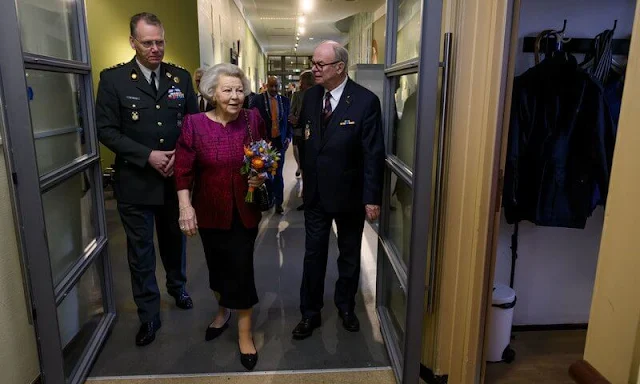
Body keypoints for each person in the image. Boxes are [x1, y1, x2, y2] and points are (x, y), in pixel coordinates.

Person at [96, 12, 198, 347]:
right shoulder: (114, 81)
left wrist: (179, 158)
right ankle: (149, 315)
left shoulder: (180, 78)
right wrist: (147, 155)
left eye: (160, 42)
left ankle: (177, 287)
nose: (155, 49)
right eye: (148, 43)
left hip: (173, 181)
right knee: (140, 252)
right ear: (133, 43)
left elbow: (193, 125)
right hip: (136, 182)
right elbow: (106, 130)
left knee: (175, 242)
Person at [174, 63, 265, 371]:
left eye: (240, 90)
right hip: (210, 210)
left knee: (241, 268)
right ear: (212, 93)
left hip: (244, 209)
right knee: (216, 267)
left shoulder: (253, 119)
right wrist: (185, 208)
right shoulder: (194, 124)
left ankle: (244, 334)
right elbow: (183, 171)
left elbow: (265, 158)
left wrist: (261, 177)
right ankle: (222, 309)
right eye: (227, 90)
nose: (235, 96)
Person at [292, 41, 385, 340]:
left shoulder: (365, 101)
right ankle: (310, 312)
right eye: (313, 63)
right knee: (313, 255)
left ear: (340, 67)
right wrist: (304, 178)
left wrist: (372, 197)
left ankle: (346, 306)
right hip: (317, 194)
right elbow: (305, 140)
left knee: (348, 255)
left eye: (320, 64)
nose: (314, 69)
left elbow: (373, 153)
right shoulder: (309, 97)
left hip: (349, 194)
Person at [252, 76, 292, 214]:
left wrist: (288, 137)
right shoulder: (257, 100)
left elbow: (289, 122)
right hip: (264, 144)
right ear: (266, 86)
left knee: (279, 173)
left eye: (276, 86)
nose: (274, 89)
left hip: (279, 142)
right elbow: (252, 121)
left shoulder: (285, 101)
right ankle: (270, 198)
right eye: (271, 86)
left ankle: (279, 202)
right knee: (267, 173)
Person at [289, 70, 315, 211]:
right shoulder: (298, 96)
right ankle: (307, 195)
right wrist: (294, 120)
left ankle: (310, 196)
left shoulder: (321, 94)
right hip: (301, 134)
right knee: (305, 165)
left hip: (315, 136)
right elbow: (291, 113)